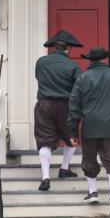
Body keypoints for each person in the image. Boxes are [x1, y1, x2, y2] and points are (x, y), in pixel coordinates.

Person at [67, 47, 110, 216]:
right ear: (105, 59)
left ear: (90, 60)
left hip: (91, 126)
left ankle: (93, 191)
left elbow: (74, 106)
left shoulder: (82, 78)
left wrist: (73, 131)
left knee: (89, 160)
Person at [34, 30, 83, 191]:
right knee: (72, 137)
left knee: (44, 141)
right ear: (68, 47)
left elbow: (39, 78)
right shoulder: (73, 66)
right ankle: (64, 168)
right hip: (66, 105)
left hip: (44, 105)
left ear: (54, 47)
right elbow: (79, 88)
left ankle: (46, 177)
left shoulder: (41, 62)